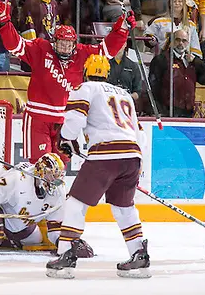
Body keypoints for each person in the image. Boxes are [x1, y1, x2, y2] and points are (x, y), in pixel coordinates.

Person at [0, 0, 134, 164]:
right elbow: (15, 45)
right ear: (54, 42)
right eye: (61, 43)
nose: (65, 47)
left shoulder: (82, 53)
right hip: (38, 118)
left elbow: (106, 51)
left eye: (68, 44)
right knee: (40, 167)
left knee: (59, 168)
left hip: (64, 121)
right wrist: (4, 22)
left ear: (74, 44)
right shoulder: (41, 49)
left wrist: (122, 30)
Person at [45, 54, 149, 279]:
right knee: (124, 208)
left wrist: (65, 139)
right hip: (133, 154)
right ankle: (139, 254)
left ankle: (66, 255)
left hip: (106, 154)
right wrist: (138, 164)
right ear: (107, 74)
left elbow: (74, 121)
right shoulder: (124, 95)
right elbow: (139, 132)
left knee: (75, 204)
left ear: (86, 71)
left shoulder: (85, 88)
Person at [148, 29, 205, 118]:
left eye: (184, 40)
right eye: (178, 40)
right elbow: (153, 87)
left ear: (188, 43)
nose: (181, 43)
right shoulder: (161, 59)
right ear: (172, 41)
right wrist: (158, 110)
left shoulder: (193, 61)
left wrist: (196, 61)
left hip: (188, 112)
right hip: (167, 112)